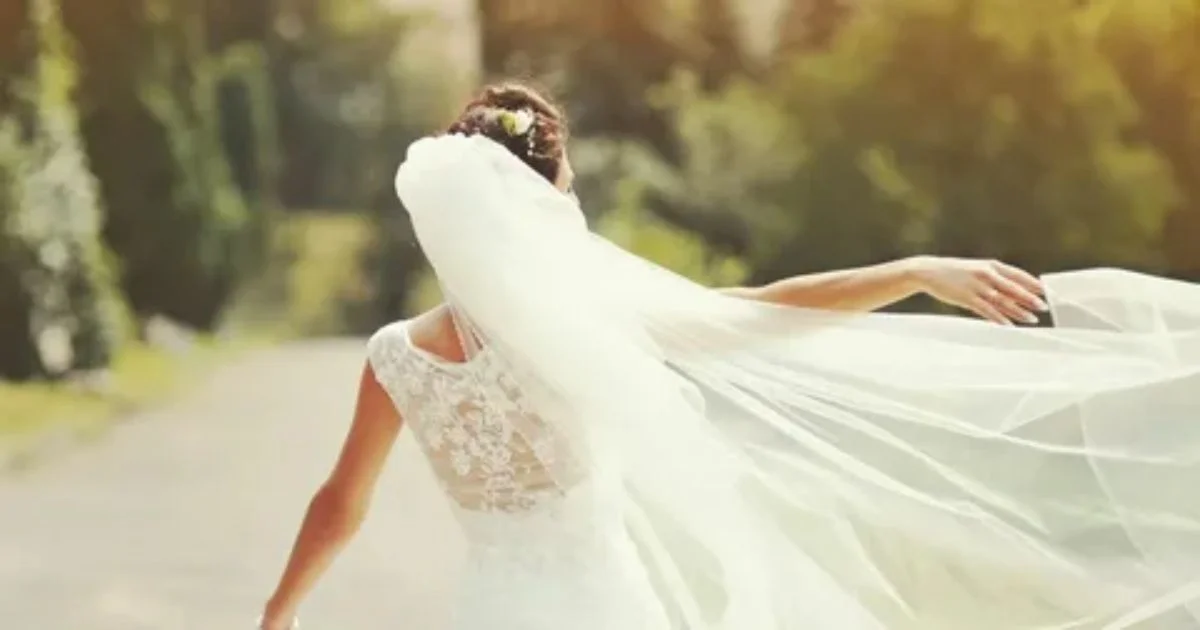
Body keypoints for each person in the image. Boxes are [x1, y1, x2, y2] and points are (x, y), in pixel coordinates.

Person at [258, 83, 1200, 630]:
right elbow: (757, 310)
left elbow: (341, 505)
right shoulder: (579, 324)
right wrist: (912, 268)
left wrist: (278, 617)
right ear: (539, 203)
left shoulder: (394, 357)